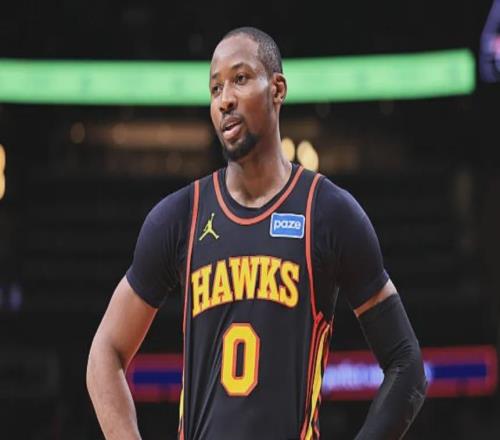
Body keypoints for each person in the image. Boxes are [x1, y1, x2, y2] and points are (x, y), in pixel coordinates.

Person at [86, 27, 427, 440]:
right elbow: (105, 352)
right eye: (215, 88)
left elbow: (406, 364)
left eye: (240, 78)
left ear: (277, 89)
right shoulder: (180, 217)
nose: (225, 99)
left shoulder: (328, 212)